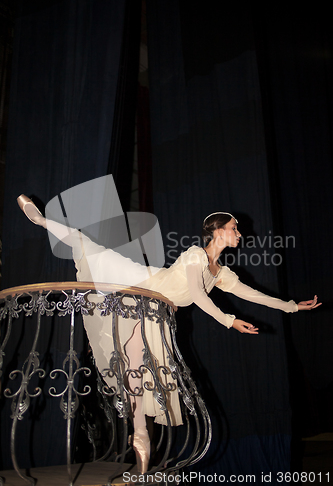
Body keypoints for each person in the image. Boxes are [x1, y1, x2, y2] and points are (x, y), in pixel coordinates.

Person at [17, 195, 321, 473]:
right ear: (217, 231)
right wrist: (229, 320)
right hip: (143, 284)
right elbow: (198, 297)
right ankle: (40, 219)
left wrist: (292, 306)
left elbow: (253, 294)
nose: (239, 234)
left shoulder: (221, 273)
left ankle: (141, 440)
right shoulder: (195, 255)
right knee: (87, 245)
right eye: (233, 228)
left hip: (154, 313)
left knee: (139, 374)